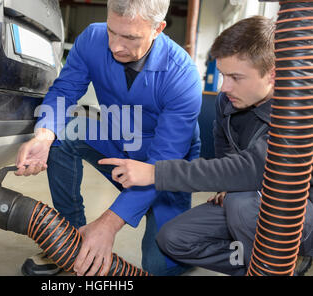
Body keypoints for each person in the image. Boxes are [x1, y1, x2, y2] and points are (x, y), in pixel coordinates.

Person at [14, 0, 202, 276]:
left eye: (130, 38)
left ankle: (189, 235)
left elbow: (163, 162)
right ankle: (73, 239)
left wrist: (108, 225)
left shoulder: (183, 77)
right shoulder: (93, 39)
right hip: (119, 141)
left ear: (158, 29)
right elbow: (65, 91)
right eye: (112, 31)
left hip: (166, 167)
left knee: (161, 266)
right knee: (63, 134)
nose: (115, 45)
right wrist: (44, 135)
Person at [99, 15, 313, 275]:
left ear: (273, 75)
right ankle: (252, 265)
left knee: (242, 204)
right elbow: (225, 148)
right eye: (223, 75)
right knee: (173, 238)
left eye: (236, 77)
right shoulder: (229, 102)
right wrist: (225, 186)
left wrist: (155, 172)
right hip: (252, 200)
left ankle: (280, 264)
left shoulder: (298, 114)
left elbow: (252, 168)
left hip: (300, 211)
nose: (224, 87)